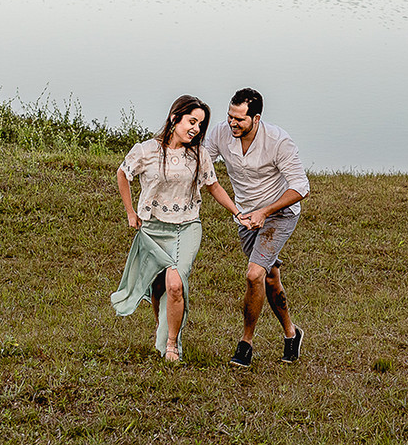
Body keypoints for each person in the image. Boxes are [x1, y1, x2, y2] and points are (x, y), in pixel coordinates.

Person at [110, 94, 242, 363]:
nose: (195, 129)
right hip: (153, 229)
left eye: (200, 125)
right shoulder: (146, 150)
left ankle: (171, 344)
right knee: (160, 286)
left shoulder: (199, 156)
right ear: (174, 118)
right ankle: (163, 327)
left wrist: (238, 213)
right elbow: (122, 173)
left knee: (175, 284)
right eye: (191, 121)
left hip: (187, 227)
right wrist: (130, 212)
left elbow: (213, 186)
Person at [205, 88, 310, 367]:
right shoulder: (220, 133)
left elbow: (301, 187)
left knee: (254, 275)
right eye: (230, 116)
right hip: (246, 217)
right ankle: (292, 333)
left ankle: (246, 343)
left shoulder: (278, 141)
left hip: (279, 214)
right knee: (270, 278)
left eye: (239, 119)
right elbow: (202, 162)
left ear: (257, 118)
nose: (232, 123)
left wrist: (265, 211)